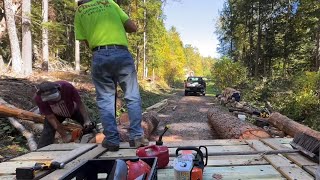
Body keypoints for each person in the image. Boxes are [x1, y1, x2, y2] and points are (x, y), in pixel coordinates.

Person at [74, 0, 148, 151]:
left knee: (106, 100)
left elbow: (86, 41)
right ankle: (137, 137)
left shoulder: (80, 11)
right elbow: (132, 28)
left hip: (99, 55)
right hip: (121, 53)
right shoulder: (109, 3)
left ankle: (113, 141)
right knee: (132, 96)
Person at [34, 81, 92, 148]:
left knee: (89, 126)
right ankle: (41, 151)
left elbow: (79, 103)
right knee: (47, 131)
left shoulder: (67, 87)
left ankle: (92, 140)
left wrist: (86, 119)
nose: (54, 100)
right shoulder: (38, 98)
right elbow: (50, 117)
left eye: (54, 97)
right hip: (55, 114)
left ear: (58, 89)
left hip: (73, 109)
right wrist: (64, 135)